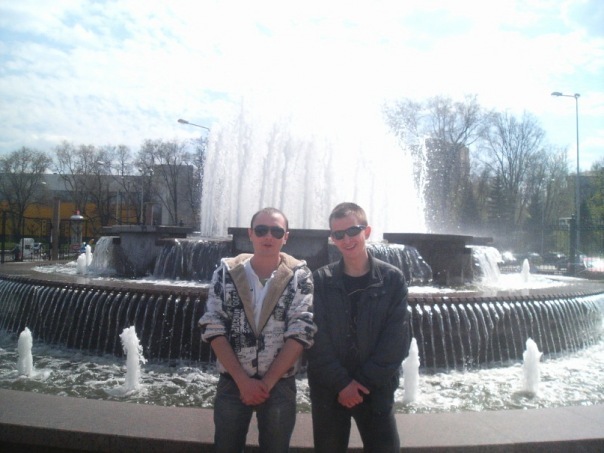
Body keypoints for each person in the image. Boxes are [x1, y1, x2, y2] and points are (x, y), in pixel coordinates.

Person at [198, 207, 316, 453]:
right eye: (261, 230)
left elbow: (301, 330)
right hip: (233, 382)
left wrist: (267, 383)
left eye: (276, 231)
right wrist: (243, 382)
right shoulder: (226, 272)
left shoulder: (300, 276)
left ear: (286, 237)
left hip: (279, 384)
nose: (268, 236)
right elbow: (213, 325)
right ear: (250, 233)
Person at [307, 202, 410, 453]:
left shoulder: (392, 279)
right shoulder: (320, 280)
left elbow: (396, 341)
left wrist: (361, 384)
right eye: (339, 234)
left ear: (367, 231)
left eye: (353, 231)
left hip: (375, 389)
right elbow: (315, 338)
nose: (347, 239)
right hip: (329, 389)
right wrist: (342, 384)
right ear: (332, 239)